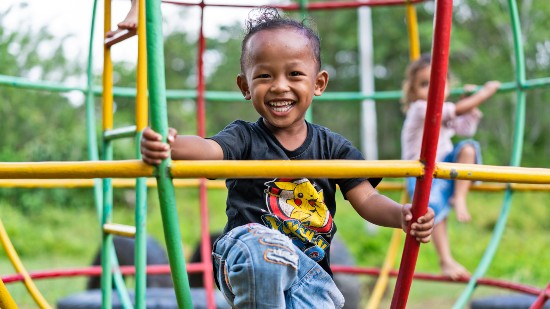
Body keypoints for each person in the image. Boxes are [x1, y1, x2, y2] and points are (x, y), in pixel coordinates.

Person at [141, 8, 435, 308]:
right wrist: (170, 143)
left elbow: (368, 200)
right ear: (246, 86)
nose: (280, 86)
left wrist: (402, 215)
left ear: (318, 83)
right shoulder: (243, 138)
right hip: (248, 255)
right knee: (264, 249)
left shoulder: (333, 148)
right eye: (265, 75)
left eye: (294, 74)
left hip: (309, 278)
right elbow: (207, 150)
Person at [400, 54, 500, 280]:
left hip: (442, 168)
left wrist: (468, 101)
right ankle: (445, 260)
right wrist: (483, 94)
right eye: (425, 84)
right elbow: (457, 111)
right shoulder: (419, 108)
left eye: (439, 83)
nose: (434, 90)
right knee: (434, 212)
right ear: (413, 92)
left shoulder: (441, 110)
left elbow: (464, 129)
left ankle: (460, 197)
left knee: (468, 148)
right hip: (420, 172)